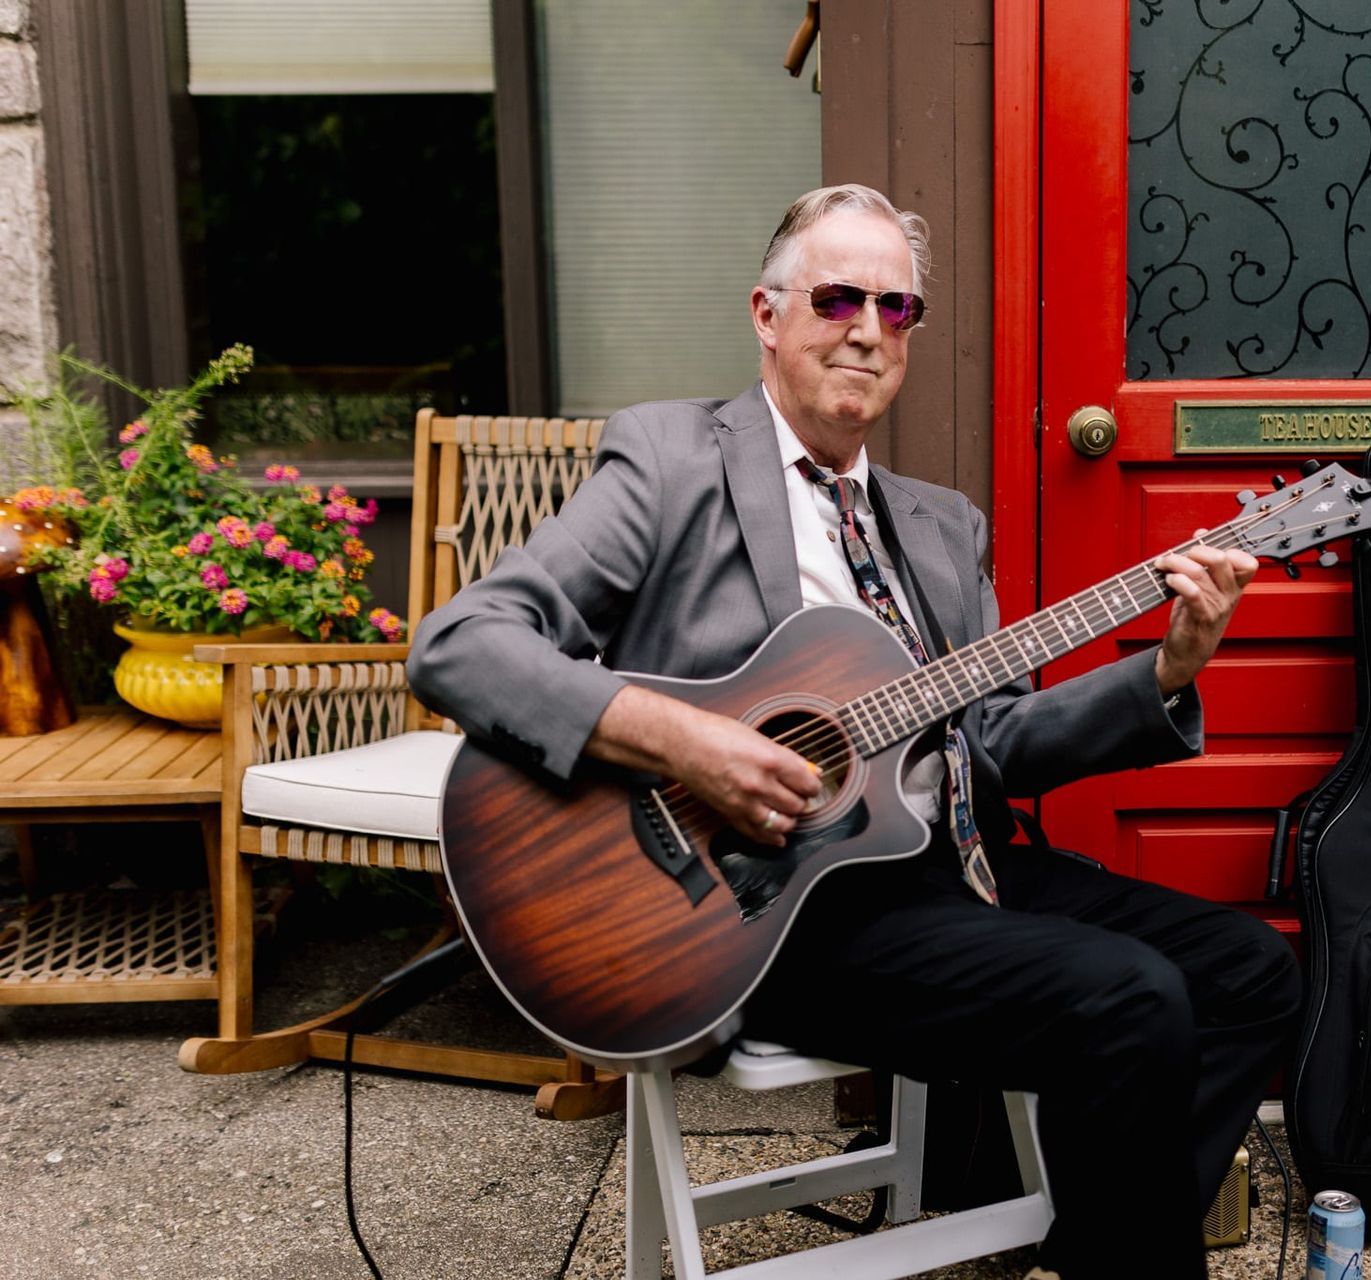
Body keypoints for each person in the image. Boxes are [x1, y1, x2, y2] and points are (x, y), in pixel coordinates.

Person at [408, 183, 1302, 1279]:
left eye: (897, 308)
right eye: (838, 297)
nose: (868, 329)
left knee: (1252, 971)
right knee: (1128, 994)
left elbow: (999, 740)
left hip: (949, 870)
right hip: (766, 906)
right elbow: (462, 643)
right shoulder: (671, 460)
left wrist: (1170, 665)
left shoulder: (938, 524)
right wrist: (689, 743)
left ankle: (1101, 1234)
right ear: (767, 314)